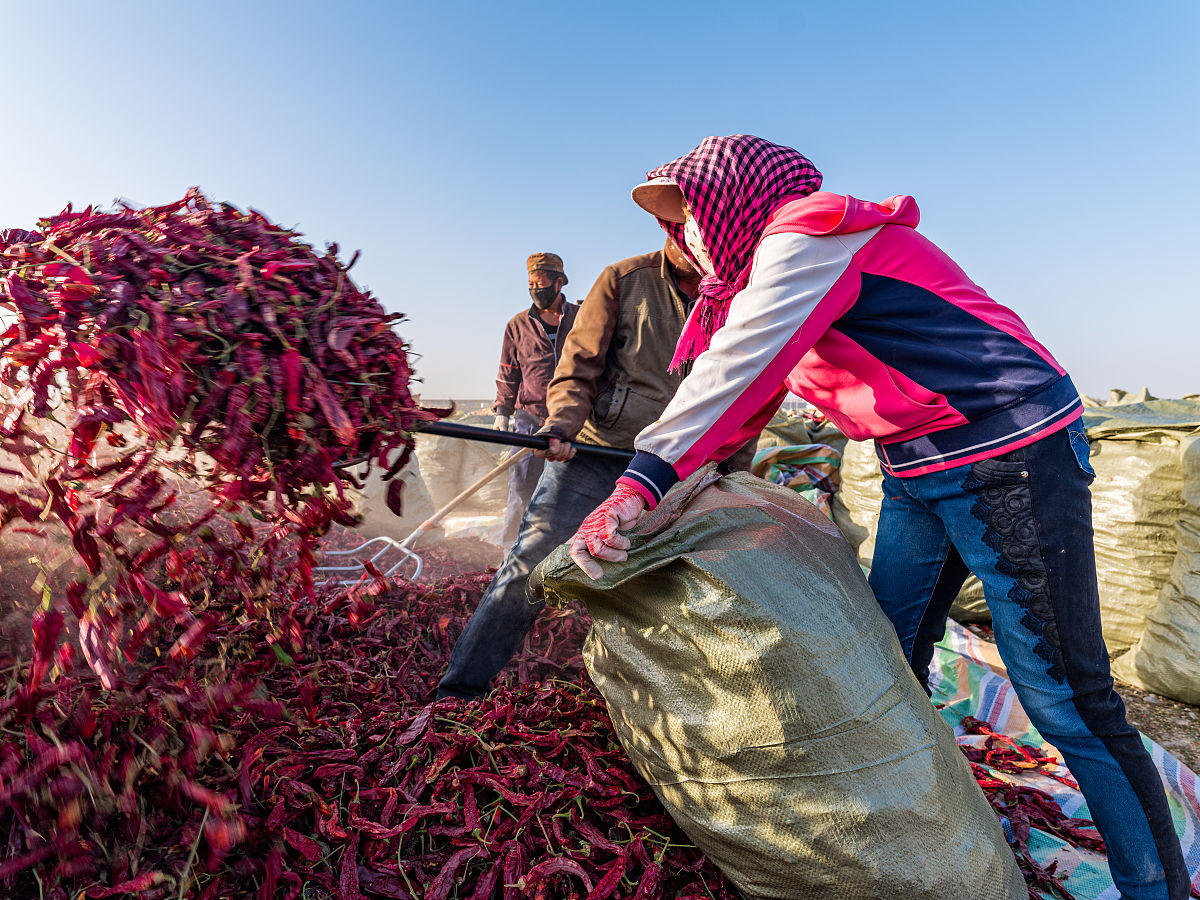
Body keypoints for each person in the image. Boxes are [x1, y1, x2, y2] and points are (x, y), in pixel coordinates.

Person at [568, 135, 1189, 900]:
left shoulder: (812, 232)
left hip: (1008, 450)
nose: (686, 235)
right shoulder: (760, 277)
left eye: (692, 212)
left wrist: (641, 480)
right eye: (676, 223)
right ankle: (929, 840)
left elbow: (739, 368)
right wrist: (681, 486)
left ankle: (1152, 884)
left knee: (1066, 697)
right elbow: (749, 396)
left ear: (735, 198)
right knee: (888, 653)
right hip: (915, 467)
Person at [438, 239, 754, 701]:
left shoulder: (737, 296)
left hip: (678, 468)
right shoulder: (626, 280)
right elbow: (577, 367)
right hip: (599, 454)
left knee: (676, 582)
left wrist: (733, 473)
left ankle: (673, 701)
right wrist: (561, 425)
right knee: (531, 560)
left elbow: (744, 394)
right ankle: (460, 689)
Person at [492, 252, 578, 547]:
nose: (535, 291)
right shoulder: (517, 325)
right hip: (530, 419)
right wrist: (502, 410)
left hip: (572, 418)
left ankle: (560, 551)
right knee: (522, 488)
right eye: (530, 285)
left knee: (568, 490)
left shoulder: (580, 319)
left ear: (558, 283)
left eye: (540, 284)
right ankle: (509, 551)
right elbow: (508, 371)